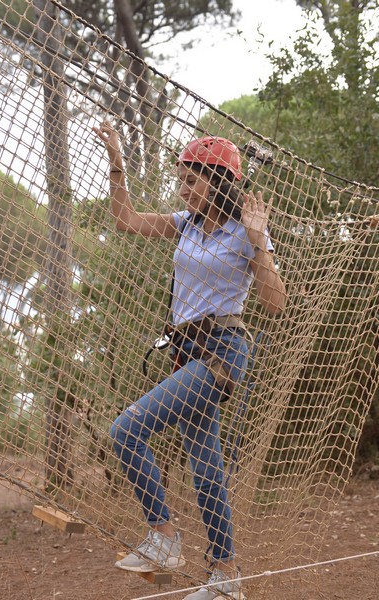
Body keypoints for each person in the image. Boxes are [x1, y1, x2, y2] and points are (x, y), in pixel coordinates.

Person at [93, 122, 286, 600]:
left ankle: (163, 538)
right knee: (205, 466)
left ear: (217, 183)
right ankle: (227, 578)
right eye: (181, 179)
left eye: (191, 180)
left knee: (126, 431)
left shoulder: (246, 233)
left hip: (224, 353)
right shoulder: (185, 224)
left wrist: (259, 240)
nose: (183, 188)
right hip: (187, 353)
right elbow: (126, 220)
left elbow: (275, 303)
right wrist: (117, 161)